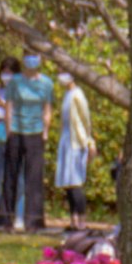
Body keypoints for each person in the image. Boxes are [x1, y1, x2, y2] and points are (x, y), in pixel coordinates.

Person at [0, 44, 56, 232]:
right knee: (11, 176)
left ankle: (34, 221)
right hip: (16, 131)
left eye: (34, 55)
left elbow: (47, 108)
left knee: (34, 178)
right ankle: (7, 219)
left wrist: (45, 131)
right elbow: (9, 107)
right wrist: (9, 130)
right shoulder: (15, 82)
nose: (31, 59)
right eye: (28, 55)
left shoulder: (46, 83)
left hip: (35, 133)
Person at [52, 68, 95, 225]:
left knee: (76, 182)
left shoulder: (78, 94)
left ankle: (82, 220)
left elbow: (85, 120)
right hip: (66, 140)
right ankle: (73, 219)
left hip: (76, 142)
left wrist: (89, 141)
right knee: (68, 183)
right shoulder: (67, 95)